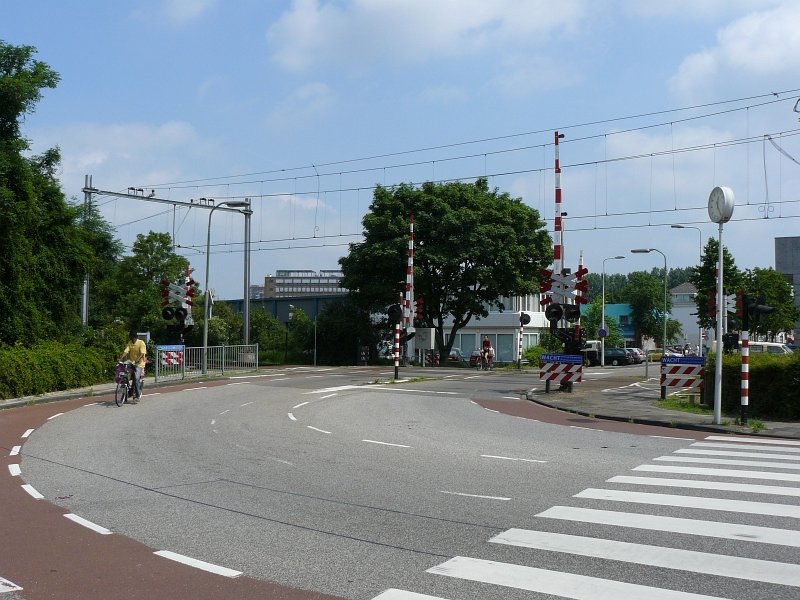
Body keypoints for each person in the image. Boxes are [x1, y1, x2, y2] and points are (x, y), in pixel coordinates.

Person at [120, 331, 146, 402]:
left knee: (136, 379)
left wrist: (136, 361)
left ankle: (137, 396)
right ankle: (129, 391)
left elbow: (142, 354)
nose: (130, 339)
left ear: (134, 337)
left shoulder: (141, 343)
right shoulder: (130, 343)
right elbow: (126, 351)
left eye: (131, 337)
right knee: (125, 374)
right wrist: (121, 358)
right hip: (131, 363)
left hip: (139, 364)